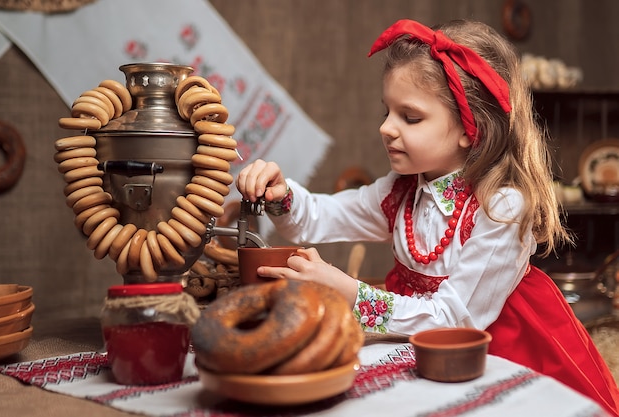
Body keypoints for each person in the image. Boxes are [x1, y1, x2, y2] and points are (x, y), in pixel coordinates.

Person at [236, 19, 619, 415]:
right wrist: (282, 195)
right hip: (418, 345)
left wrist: (350, 292)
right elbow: (318, 217)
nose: (386, 128)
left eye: (410, 117)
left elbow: (455, 320)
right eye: (387, 111)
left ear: (471, 128)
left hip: (494, 350)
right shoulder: (399, 191)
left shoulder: (501, 208)